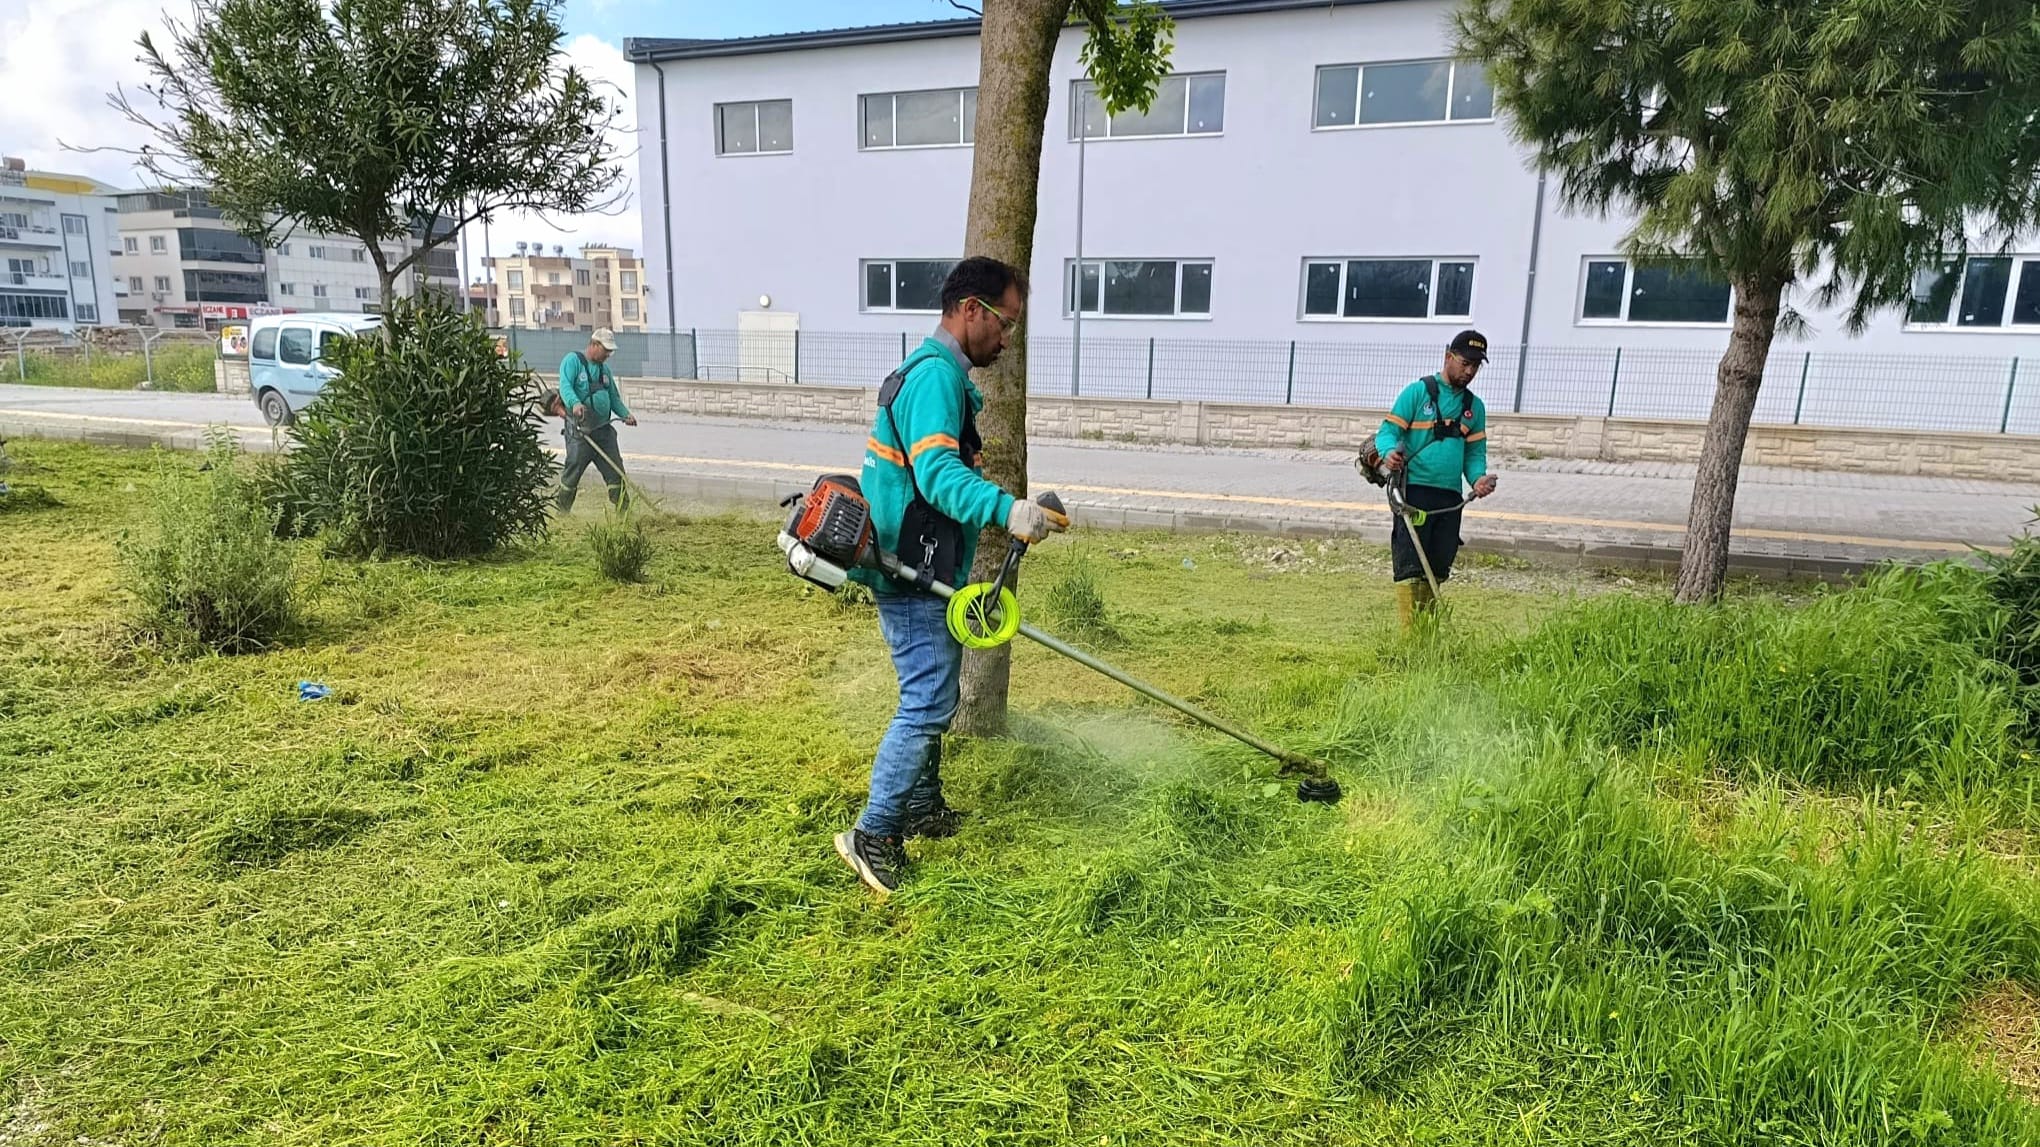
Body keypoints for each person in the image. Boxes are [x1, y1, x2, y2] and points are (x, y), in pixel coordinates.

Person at [835, 256, 1069, 896]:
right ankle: (873, 832)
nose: (1007, 337)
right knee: (929, 700)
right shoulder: (935, 378)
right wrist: (1007, 509)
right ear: (971, 310)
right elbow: (937, 477)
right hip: (909, 568)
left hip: (924, 562)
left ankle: (920, 805)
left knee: (931, 689)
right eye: (1005, 322)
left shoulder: (939, 375)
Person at [1376, 329, 1500, 628]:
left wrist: (1478, 480)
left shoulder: (1474, 408)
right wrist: (1390, 452)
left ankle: (1427, 635)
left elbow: (1473, 455)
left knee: (1438, 567)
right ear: (1448, 357)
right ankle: (1411, 641)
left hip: (1449, 499)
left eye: (1475, 366)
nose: (1469, 371)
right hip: (1414, 493)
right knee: (1410, 568)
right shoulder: (1417, 393)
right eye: (1465, 363)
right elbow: (1387, 433)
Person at [556, 328, 637, 512]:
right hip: (581, 433)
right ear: (594, 345)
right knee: (572, 473)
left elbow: (614, 397)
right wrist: (575, 403)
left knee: (616, 472)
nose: (608, 354)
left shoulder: (604, 370)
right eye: (605, 350)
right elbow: (565, 386)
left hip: (604, 431)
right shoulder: (573, 361)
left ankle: (624, 513)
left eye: (610, 351)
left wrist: (625, 415)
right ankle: (562, 512)